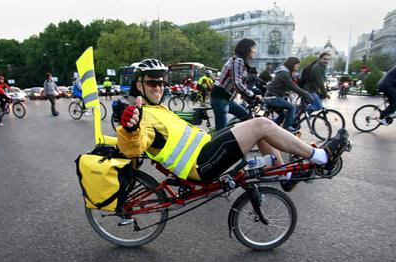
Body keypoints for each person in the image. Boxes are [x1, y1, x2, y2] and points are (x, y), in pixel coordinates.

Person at [116, 58, 350, 193]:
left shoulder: (157, 108)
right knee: (260, 124)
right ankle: (321, 156)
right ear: (139, 85)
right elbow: (133, 147)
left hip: (205, 149)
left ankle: (286, 175)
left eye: (162, 82)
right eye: (152, 82)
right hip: (200, 165)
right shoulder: (140, 115)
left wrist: (192, 117)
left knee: (253, 125)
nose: (159, 87)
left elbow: (171, 129)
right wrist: (129, 129)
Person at [210, 38, 258, 131]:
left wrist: (249, 98)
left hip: (228, 98)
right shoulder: (238, 60)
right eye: (253, 48)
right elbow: (237, 83)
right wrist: (253, 96)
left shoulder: (242, 62)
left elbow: (242, 85)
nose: (255, 51)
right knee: (220, 131)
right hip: (220, 97)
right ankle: (217, 143)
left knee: (246, 117)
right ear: (247, 49)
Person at [265, 57, 311, 131]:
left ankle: (271, 130)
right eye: (297, 64)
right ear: (292, 64)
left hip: (272, 97)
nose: (298, 66)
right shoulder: (284, 73)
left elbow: (289, 86)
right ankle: (287, 128)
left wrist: (298, 92)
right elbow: (293, 86)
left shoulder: (285, 72)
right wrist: (305, 94)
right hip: (272, 98)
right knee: (292, 107)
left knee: (282, 116)